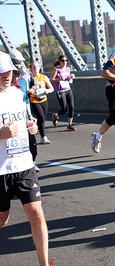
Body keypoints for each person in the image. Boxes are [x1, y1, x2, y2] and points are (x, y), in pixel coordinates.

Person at [0, 52, 54, 266]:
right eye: (1, 71)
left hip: (23, 164)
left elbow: (25, 119)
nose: (6, 75)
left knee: (37, 214)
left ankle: (44, 264)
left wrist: (30, 126)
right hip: (1, 170)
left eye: (8, 70)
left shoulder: (18, 92)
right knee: (2, 219)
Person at [9, 49, 40, 172]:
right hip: (9, 123)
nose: (16, 76)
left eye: (18, 73)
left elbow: (25, 100)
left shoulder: (23, 80)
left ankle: (30, 164)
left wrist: (30, 115)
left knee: (32, 147)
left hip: (23, 119)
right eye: (14, 73)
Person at [29, 61, 54, 144]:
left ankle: (38, 130)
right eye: (34, 67)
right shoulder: (29, 78)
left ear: (39, 67)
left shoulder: (44, 77)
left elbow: (51, 88)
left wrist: (47, 90)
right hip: (34, 100)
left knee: (43, 119)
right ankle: (43, 137)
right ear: (31, 68)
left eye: (37, 67)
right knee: (41, 117)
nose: (35, 69)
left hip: (43, 99)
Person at [50, 55, 76, 131]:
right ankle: (56, 116)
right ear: (59, 61)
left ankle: (69, 125)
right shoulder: (57, 70)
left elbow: (68, 79)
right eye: (62, 61)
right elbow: (51, 80)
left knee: (71, 107)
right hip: (60, 90)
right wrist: (59, 79)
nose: (64, 62)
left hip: (68, 89)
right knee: (64, 109)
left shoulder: (68, 69)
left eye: (66, 60)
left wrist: (71, 77)